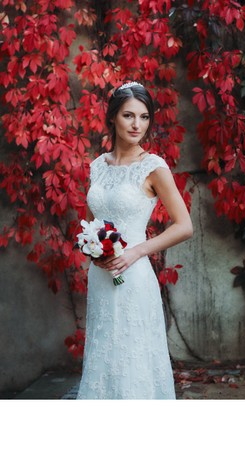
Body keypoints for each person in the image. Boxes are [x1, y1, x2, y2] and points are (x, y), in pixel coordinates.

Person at [77, 81, 193, 399]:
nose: (136, 125)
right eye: (128, 115)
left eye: (144, 117)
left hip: (134, 276)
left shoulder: (153, 167)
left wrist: (135, 252)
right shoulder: (97, 167)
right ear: (113, 117)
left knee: (134, 357)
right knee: (104, 350)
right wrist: (93, 250)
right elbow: (93, 222)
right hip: (101, 276)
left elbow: (184, 226)